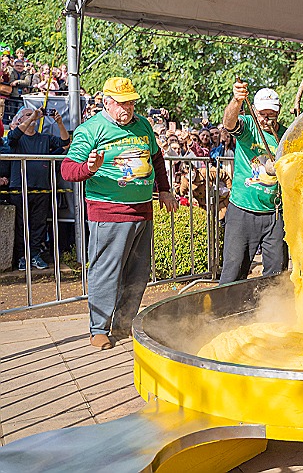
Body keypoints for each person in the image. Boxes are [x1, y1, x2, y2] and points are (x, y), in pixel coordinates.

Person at [61, 77, 178, 350]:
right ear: (107, 102)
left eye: (131, 103)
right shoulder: (90, 130)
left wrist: (164, 190)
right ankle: (99, 329)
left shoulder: (143, 125)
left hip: (142, 211)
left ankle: (124, 324)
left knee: (138, 273)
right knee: (106, 272)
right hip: (109, 212)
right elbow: (68, 170)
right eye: (122, 103)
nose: (128, 108)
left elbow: (156, 158)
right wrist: (89, 168)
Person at [219, 82, 288, 284]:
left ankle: (270, 311)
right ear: (254, 111)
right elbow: (229, 123)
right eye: (262, 114)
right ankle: (227, 313)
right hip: (242, 210)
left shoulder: (286, 135)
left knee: (277, 273)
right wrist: (236, 101)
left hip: (274, 213)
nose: (266, 119)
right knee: (233, 270)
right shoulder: (248, 125)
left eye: (271, 114)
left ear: (279, 112)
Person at [6, 108, 70, 270]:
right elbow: (11, 137)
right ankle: (22, 256)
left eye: (33, 114)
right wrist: (31, 117)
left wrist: (60, 123)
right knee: (21, 224)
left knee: (38, 224)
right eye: (27, 115)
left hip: (42, 187)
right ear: (19, 120)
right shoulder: (16, 139)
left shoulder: (45, 138)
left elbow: (64, 142)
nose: (33, 116)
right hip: (19, 187)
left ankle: (34, 254)